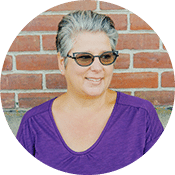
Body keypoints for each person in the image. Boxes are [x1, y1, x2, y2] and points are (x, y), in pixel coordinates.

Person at [16, 10, 164, 175]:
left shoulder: (141, 116)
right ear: (61, 62)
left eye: (105, 57)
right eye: (84, 58)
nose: (97, 68)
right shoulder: (34, 124)